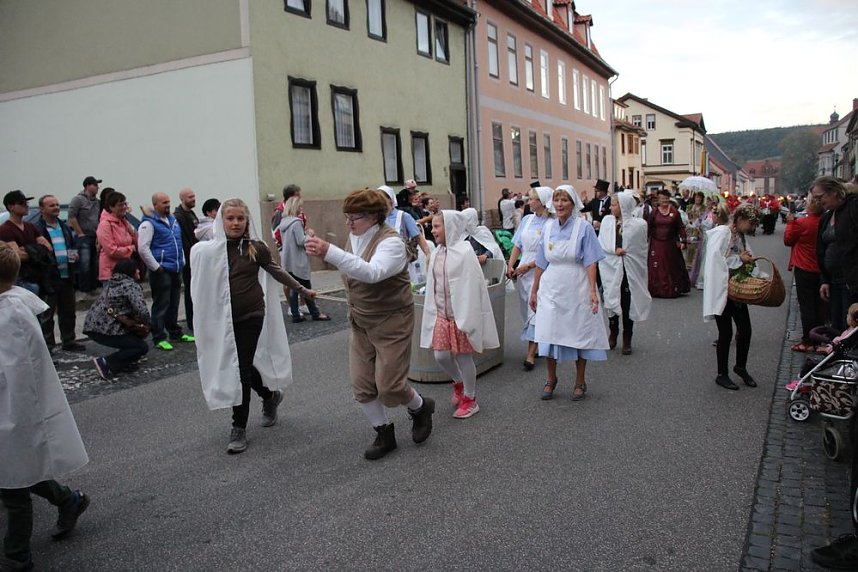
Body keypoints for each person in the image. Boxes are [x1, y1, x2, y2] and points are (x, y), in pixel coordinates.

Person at [304, 188, 435, 461]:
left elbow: (372, 273)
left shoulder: (392, 243)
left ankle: (420, 407)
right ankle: (383, 432)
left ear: (376, 216)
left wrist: (330, 251)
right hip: (361, 320)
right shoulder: (355, 235)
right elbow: (353, 267)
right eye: (347, 217)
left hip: (391, 322)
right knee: (362, 386)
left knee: (390, 386)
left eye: (356, 217)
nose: (350, 223)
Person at [191, 198, 314, 455]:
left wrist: (302, 289)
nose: (236, 223)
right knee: (241, 366)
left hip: (252, 315)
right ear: (220, 221)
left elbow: (275, 270)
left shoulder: (255, 248)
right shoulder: (208, 251)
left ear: (247, 221)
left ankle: (238, 427)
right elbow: (200, 286)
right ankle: (269, 396)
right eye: (230, 218)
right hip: (223, 319)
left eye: (240, 219)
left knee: (241, 369)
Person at [0, 243, 90, 572]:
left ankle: (16, 555)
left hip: (13, 410)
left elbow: (17, 370)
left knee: (13, 485)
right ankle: (70, 499)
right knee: (15, 472)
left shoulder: (12, 314)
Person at [529, 185, 609, 401]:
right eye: (556, 200)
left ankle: (580, 380)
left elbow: (591, 261)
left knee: (579, 332)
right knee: (548, 331)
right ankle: (551, 378)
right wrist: (534, 290)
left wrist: (592, 291)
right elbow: (540, 262)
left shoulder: (584, 228)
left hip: (577, 285)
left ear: (573, 203)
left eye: (564, 200)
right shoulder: (547, 228)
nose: (560, 204)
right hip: (551, 287)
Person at [420, 210, 499, 418]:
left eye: (437, 226)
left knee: (463, 358)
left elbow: (474, 288)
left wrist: (468, 316)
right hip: (441, 315)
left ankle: (471, 399)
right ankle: (459, 382)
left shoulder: (465, 253)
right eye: (433, 226)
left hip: (460, 316)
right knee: (441, 355)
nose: (432, 230)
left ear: (450, 228)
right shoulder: (436, 252)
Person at [703, 204, 760, 391]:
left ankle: (740, 367)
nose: (752, 228)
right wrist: (739, 260)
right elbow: (716, 261)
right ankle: (722, 374)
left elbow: (744, 255)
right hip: (723, 289)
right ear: (740, 220)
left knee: (745, 329)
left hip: (737, 289)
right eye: (750, 224)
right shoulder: (723, 233)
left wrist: (751, 267)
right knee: (725, 333)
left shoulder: (741, 236)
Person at [138, 192, 193, 351]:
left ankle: (175, 332)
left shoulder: (173, 220)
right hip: (161, 270)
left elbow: (178, 242)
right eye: (163, 203)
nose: (167, 205)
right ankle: (159, 336)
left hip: (175, 268)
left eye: (168, 202)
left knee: (174, 303)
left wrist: (181, 260)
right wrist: (156, 267)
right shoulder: (148, 224)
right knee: (161, 304)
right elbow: (143, 248)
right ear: (155, 205)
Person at [598, 191, 651, 355]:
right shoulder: (607, 221)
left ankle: (627, 336)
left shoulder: (638, 224)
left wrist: (626, 251)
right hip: (611, 268)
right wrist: (614, 250)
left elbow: (639, 248)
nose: (611, 208)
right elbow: (601, 242)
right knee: (611, 298)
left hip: (629, 269)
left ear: (624, 206)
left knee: (627, 302)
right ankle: (613, 332)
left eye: (614, 205)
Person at [507, 187, 554, 371]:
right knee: (526, 308)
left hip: (541, 268)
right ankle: (541, 340)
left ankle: (531, 354)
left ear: (542, 201)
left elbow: (550, 252)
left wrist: (529, 266)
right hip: (522, 269)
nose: (528, 202)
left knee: (536, 308)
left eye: (532, 199)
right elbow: (517, 244)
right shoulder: (527, 220)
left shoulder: (551, 223)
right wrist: (511, 265)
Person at [32, 195, 85, 352]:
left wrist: (74, 256)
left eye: (56, 204)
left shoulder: (63, 226)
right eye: (51, 205)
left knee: (68, 311)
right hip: (49, 277)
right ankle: (48, 346)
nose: (56, 207)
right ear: (42, 209)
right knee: (47, 315)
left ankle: (68, 340)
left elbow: (71, 244)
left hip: (67, 274)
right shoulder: (38, 228)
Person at [83, 258, 150, 378]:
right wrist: (150, 325)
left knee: (135, 338)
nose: (139, 271)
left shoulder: (112, 282)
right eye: (136, 269)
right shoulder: (130, 285)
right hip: (106, 329)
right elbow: (142, 311)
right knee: (141, 347)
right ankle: (106, 363)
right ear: (130, 271)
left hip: (92, 326)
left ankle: (124, 364)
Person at [815, 176, 858, 331]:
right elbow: (821, 249)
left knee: (849, 325)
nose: (818, 202)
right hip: (833, 280)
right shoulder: (826, 217)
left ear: (833, 191)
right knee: (836, 324)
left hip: (851, 281)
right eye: (815, 198)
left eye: (820, 197)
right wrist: (824, 279)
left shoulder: (853, 207)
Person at [277, 196, 330, 323]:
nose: (301, 209)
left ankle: (298, 314)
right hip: (298, 261)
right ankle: (315, 313)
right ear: (295, 207)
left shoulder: (283, 222)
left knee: (295, 288)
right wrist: (310, 234)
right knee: (304, 286)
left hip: (288, 260)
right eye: (300, 206)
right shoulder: (296, 222)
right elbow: (301, 241)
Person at [785, 193, 826, 352]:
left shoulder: (802, 223)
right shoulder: (825, 221)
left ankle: (808, 340)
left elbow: (788, 240)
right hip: (821, 268)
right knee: (820, 306)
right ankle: (819, 338)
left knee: (807, 306)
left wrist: (790, 223)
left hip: (804, 267)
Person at [0, 190, 54, 297]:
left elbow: (48, 248)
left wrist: (27, 250)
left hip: (38, 276)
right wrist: (38, 250)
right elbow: (17, 256)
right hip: (21, 280)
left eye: (26, 203)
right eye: (22, 203)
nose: (26, 206)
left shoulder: (31, 226)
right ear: (11, 207)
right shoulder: (5, 229)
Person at [647, 189, 690, 298]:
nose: (664, 201)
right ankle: (656, 290)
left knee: (671, 266)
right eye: (662, 199)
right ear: (659, 200)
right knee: (657, 267)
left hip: (670, 243)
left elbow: (680, 227)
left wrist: (683, 240)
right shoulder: (654, 212)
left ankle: (672, 289)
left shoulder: (675, 212)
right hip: (656, 243)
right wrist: (644, 241)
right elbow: (648, 227)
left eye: (666, 199)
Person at [68, 176, 102, 292]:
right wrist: (80, 233)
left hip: (95, 236)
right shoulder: (78, 200)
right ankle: (84, 289)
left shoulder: (97, 202)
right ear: (87, 186)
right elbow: (71, 217)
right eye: (95, 185)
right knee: (84, 264)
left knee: (94, 264)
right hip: (84, 236)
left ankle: (93, 287)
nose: (97, 187)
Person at [96, 192, 137, 285]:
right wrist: (131, 249)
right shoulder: (105, 224)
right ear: (111, 207)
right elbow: (111, 251)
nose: (124, 207)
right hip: (111, 274)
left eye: (125, 204)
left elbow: (135, 241)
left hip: (126, 272)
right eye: (120, 205)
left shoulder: (124, 222)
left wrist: (133, 232)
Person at [173, 188, 198, 334]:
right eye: (190, 197)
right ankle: (191, 322)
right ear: (182, 199)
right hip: (189, 261)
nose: (193, 199)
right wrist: (190, 258)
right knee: (190, 291)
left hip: (195, 258)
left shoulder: (191, 213)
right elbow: (183, 240)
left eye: (194, 196)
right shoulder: (179, 216)